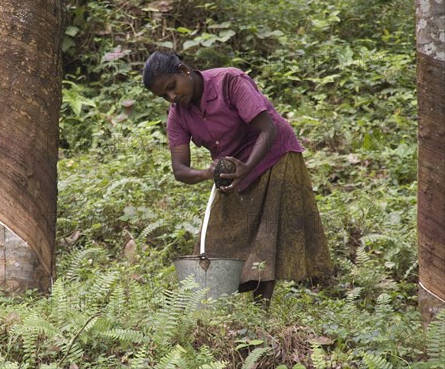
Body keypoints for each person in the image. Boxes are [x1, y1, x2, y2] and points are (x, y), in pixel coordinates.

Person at [142, 50, 333, 307]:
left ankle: (260, 309)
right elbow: (179, 169)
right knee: (214, 239)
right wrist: (208, 173)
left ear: (184, 71)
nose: (172, 97)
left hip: (274, 155)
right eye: (164, 96)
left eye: (172, 87)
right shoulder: (178, 114)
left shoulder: (230, 81)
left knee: (267, 232)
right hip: (233, 168)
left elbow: (268, 129)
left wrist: (247, 166)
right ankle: (216, 307)